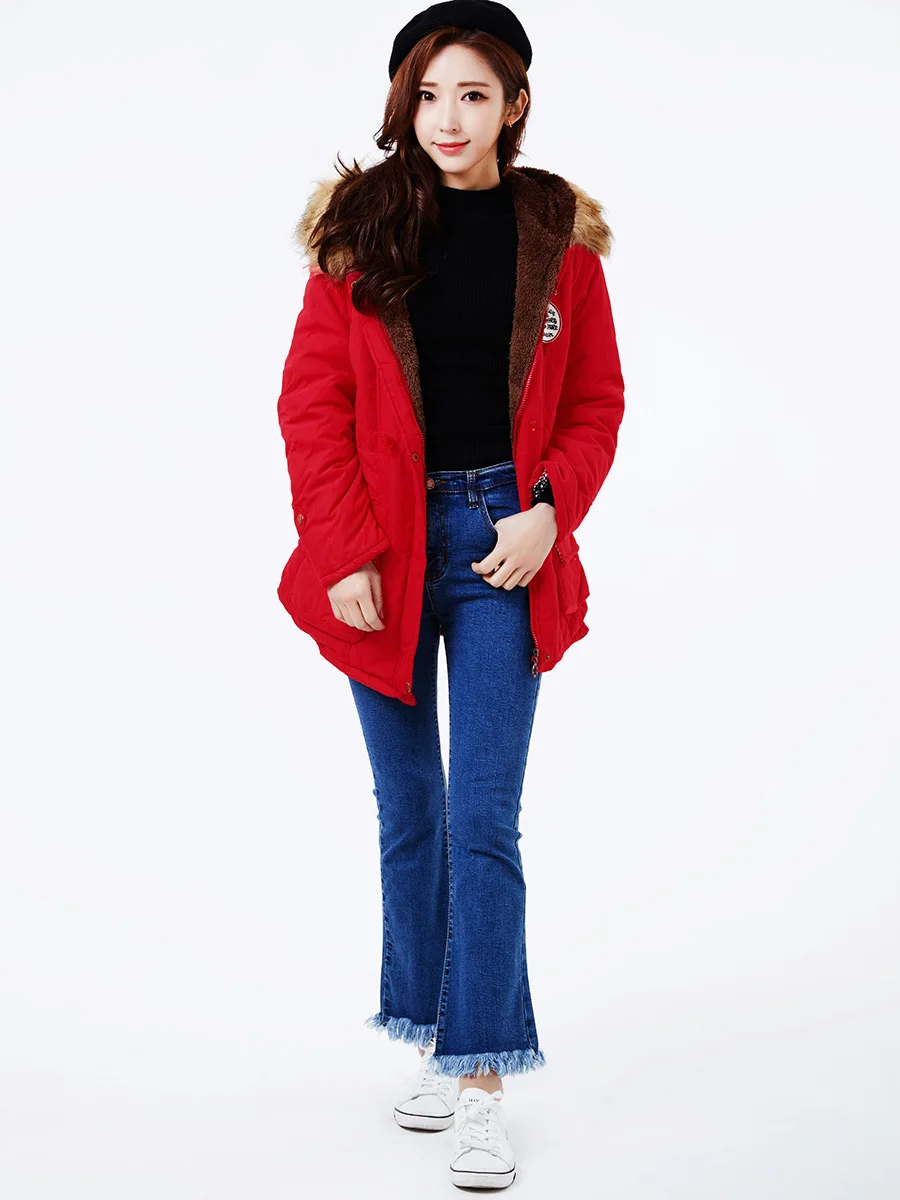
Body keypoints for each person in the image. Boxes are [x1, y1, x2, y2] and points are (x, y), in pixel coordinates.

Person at [275, 1, 625, 1188]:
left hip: (499, 544)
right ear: (404, 105)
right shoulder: (358, 234)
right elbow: (313, 405)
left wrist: (548, 509)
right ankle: (432, 1033)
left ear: (515, 105)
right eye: (429, 95)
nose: (449, 118)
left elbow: (597, 404)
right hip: (381, 544)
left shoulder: (559, 244)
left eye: (474, 94)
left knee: (482, 815)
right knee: (411, 811)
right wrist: (343, 553)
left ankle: (480, 1075)